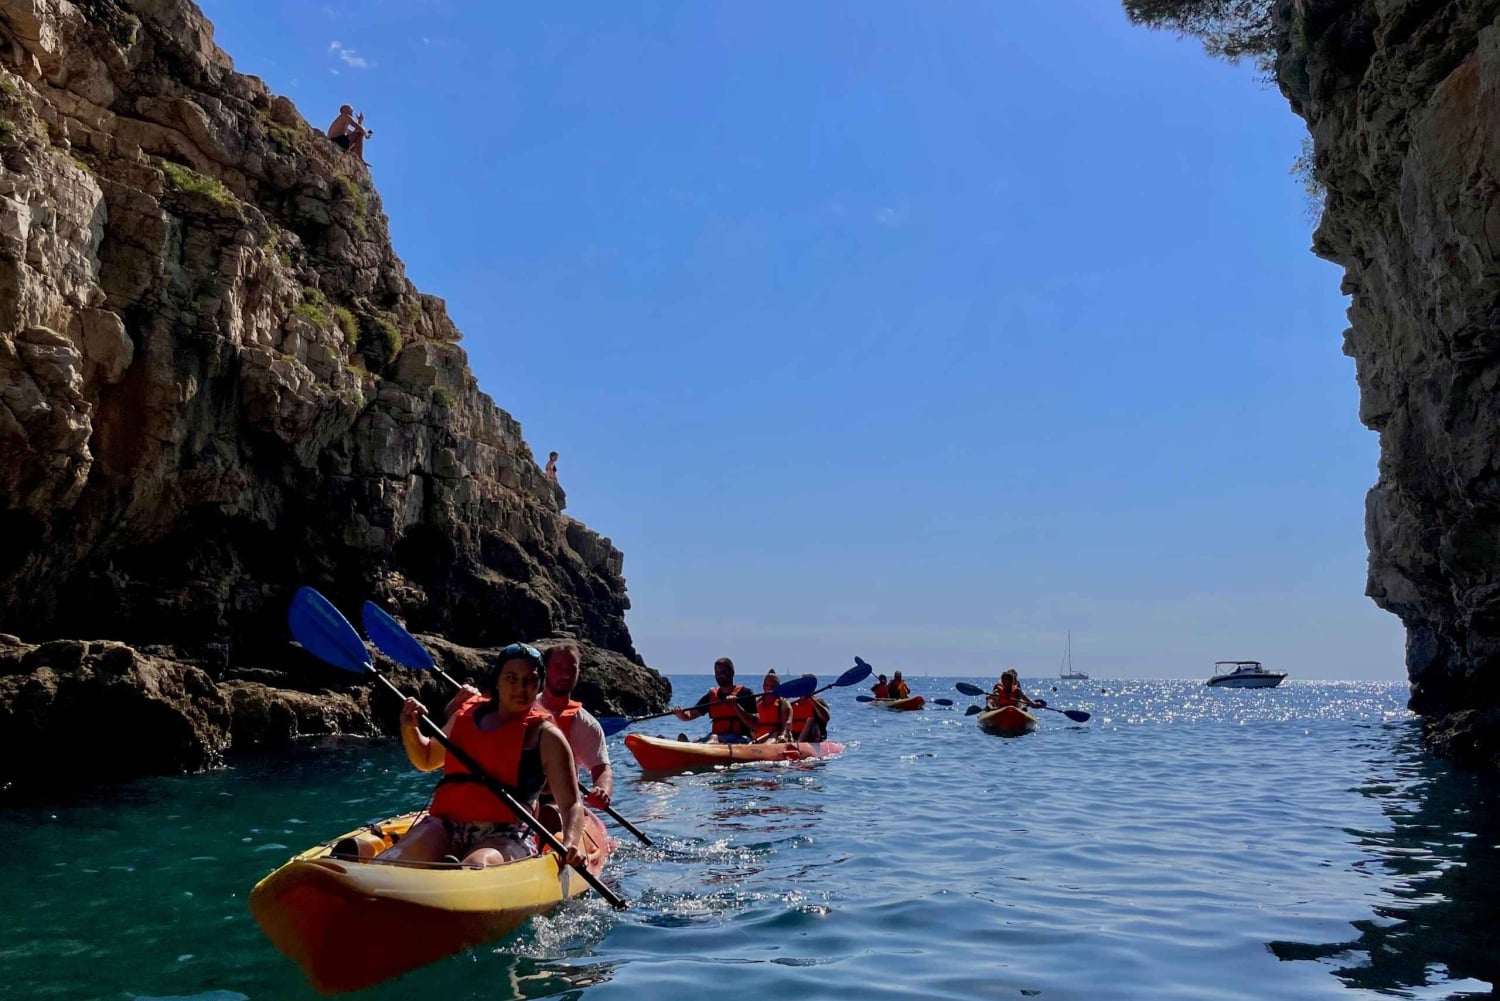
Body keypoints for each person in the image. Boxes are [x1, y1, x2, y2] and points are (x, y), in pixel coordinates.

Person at [382, 643, 586, 869]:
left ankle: (458, 876)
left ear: (540, 684)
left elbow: (571, 804)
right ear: (497, 681)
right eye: (511, 678)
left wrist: (571, 843)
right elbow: (427, 759)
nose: (521, 687)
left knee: (477, 864)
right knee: (399, 857)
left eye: (530, 679)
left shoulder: (547, 737)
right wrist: (410, 729)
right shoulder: (465, 716)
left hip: (505, 835)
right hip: (447, 825)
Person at [535, 641, 614, 810]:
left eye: (571, 669)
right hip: (520, 797)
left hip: (560, 802)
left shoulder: (587, 724)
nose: (565, 675)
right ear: (545, 669)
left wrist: (601, 790)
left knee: (553, 812)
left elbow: (601, 769)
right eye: (558, 667)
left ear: (578, 672)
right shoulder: (522, 708)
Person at [672, 656, 756, 743]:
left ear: (731, 673)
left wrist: (736, 706)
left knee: (713, 738)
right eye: (717, 673)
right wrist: (680, 714)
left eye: (723, 672)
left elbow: (755, 724)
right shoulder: (711, 695)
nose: (719, 676)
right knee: (696, 740)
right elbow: (690, 715)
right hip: (718, 737)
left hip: (740, 738)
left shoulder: (746, 693)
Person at [752, 669, 792, 743]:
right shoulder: (758, 702)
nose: (770, 688)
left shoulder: (783, 702)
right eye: (767, 685)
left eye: (773, 686)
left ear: (778, 687)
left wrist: (782, 735)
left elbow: (787, 723)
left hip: (776, 735)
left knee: (770, 741)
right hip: (759, 736)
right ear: (763, 686)